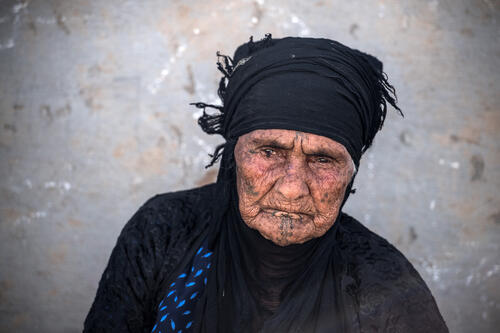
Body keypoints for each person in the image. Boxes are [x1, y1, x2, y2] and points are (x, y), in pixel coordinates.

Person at [84, 34, 448, 332]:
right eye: (270, 152)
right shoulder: (162, 232)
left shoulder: (388, 287)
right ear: (233, 156)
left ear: (352, 172)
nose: (292, 188)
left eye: (323, 159)